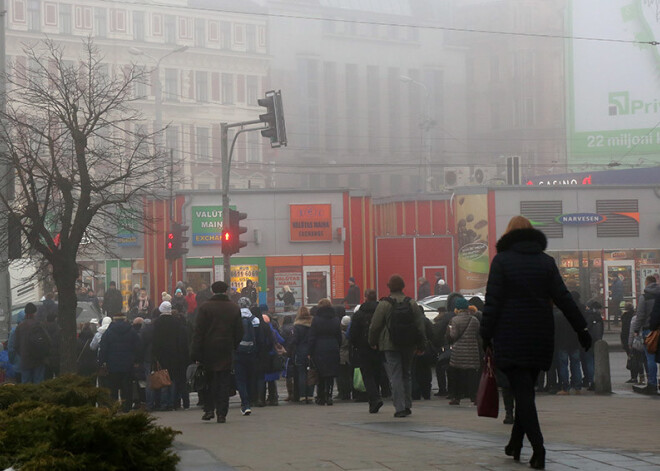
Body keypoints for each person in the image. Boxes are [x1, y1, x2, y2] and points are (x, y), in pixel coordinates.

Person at [480, 216, 591, 470]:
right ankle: (515, 444)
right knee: (526, 391)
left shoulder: (502, 262)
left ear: (508, 235)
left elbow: (492, 302)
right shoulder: (546, 263)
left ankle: (539, 450)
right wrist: (581, 328)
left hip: (510, 335)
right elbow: (564, 298)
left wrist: (485, 336)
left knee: (524, 394)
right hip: (540, 335)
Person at [369, 274, 427, 418]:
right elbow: (420, 326)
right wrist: (421, 344)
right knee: (406, 373)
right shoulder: (411, 303)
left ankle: (399, 407)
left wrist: (372, 341)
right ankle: (407, 405)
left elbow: (375, 326)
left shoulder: (384, 304)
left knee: (395, 375)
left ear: (389, 287)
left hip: (389, 344)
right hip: (409, 344)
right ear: (403, 287)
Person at [191, 281, 243, 423]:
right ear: (226, 291)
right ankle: (222, 413)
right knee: (223, 382)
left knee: (208, 381)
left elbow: (198, 331)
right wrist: (233, 345)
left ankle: (209, 410)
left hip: (208, 350)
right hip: (226, 349)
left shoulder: (205, 307)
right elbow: (240, 331)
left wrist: (196, 352)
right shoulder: (233, 308)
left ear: (212, 291)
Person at [349, 289, 384, 413]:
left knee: (367, 375)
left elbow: (352, 334)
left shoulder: (359, 314)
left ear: (365, 298)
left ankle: (374, 399)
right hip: (380, 347)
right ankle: (378, 395)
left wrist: (355, 345)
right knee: (377, 373)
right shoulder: (381, 311)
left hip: (363, 348)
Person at [98, 312, 140, 413]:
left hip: (112, 364)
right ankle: (126, 407)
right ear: (125, 319)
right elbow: (138, 347)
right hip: (128, 364)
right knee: (127, 387)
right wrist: (136, 360)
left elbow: (103, 348)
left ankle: (114, 407)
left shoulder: (108, 332)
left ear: (114, 320)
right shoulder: (132, 331)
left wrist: (101, 361)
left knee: (113, 388)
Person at [152, 301, 190, 411]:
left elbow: (155, 340)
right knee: (173, 379)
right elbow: (181, 340)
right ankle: (173, 403)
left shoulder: (157, 323)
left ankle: (164, 403)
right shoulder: (176, 322)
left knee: (164, 377)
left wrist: (155, 355)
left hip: (162, 355)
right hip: (175, 354)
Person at [308, 298, 342, 405]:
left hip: (319, 348)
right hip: (333, 347)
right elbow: (339, 336)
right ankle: (329, 396)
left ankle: (321, 396)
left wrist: (310, 351)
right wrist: (337, 346)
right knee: (330, 374)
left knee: (321, 373)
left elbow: (312, 336)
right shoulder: (336, 319)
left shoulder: (316, 320)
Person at [447, 297, 480, 405]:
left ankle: (456, 397)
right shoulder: (474, 320)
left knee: (457, 374)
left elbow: (453, 335)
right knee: (472, 375)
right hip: (472, 351)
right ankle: (474, 397)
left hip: (458, 352)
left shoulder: (455, 320)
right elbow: (477, 335)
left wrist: (449, 331)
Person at [631, 275, 660, 394]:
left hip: (650, 330)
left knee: (650, 358)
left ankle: (652, 384)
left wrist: (636, 329)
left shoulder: (644, 297)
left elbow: (640, 315)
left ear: (647, 283)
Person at [234, 297, 261, 415]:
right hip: (252, 353)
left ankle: (245, 403)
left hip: (238, 353)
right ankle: (250, 400)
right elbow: (259, 338)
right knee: (251, 378)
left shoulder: (234, 319)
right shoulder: (255, 320)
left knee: (241, 379)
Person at [14, 303, 50, 384]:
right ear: (35, 313)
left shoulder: (20, 327)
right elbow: (48, 341)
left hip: (25, 359)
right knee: (38, 382)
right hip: (39, 360)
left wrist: (23, 353)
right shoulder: (39, 325)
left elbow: (16, 345)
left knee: (26, 383)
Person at [290, 306, 314, 402]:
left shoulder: (297, 326)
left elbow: (295, 340)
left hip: (300, 351)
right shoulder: (312, 325)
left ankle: (303, 395)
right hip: (311, 351)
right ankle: (310, 394)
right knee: (311, 373)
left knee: (301, 373)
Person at [337, 315, 354, 400]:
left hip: (341, 356)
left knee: (341, 376)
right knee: (348, 376)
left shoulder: (341, 334)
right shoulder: (350, 333)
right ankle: (348, 392)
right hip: (348, 356)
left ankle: (343, 393)